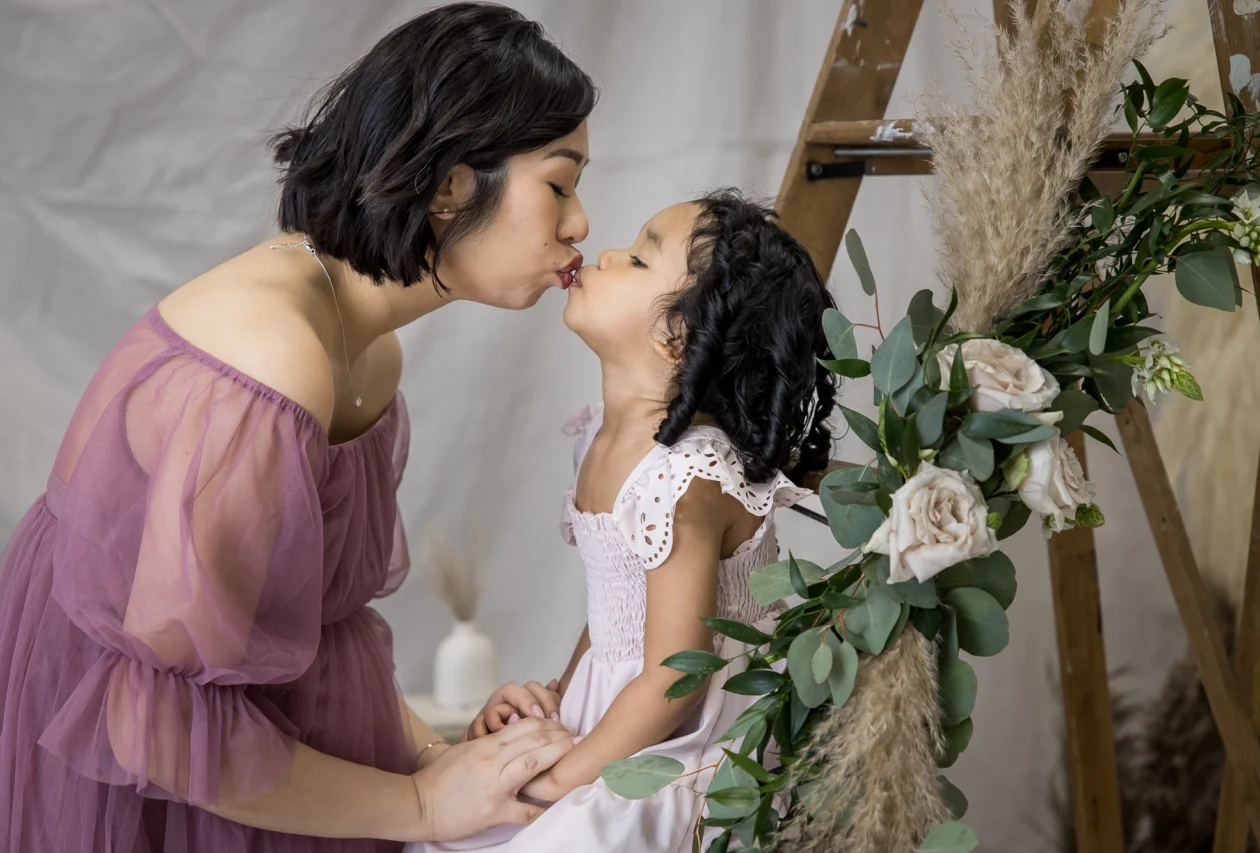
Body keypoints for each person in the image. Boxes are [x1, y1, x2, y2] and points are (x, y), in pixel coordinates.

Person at [0, 4, 597, 851]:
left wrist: (435, 755)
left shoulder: (368, 351)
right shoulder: (267, 364)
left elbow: (313, 633)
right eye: (560, 184)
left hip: (252, 759)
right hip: (156, 782)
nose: (580, 225)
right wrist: (425, 807)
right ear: (451, 185)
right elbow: (151, 724)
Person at [412, 190, 838, 852]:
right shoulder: (605, 440)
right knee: (462, 822)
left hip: (683, 736)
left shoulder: (685, 479)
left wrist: (562, 777)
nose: (607, 252)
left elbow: (678, 672)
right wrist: (553, 700)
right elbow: (621, 615)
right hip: (628, 705)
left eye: (639, 259)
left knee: (550, 835)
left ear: (679, 337)